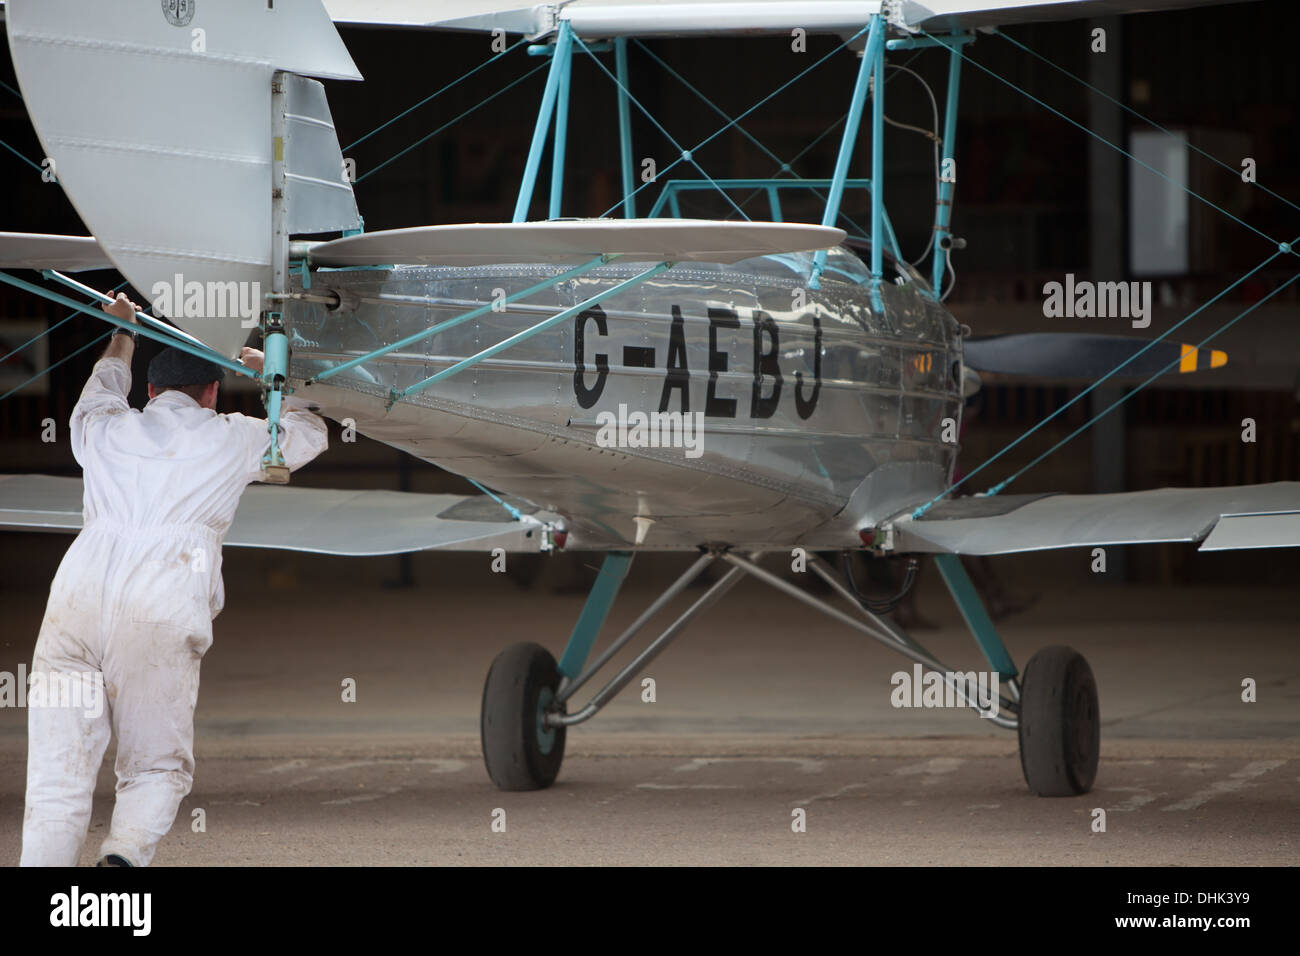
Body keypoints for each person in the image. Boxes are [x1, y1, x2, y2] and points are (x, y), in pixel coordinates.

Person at [21, 292, 328, 867]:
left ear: (151, 392)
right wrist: (272, 369)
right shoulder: (233, 435)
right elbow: (307, 430)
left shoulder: (105, 428)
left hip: (78, 594)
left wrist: (124, 332)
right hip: (162, 600)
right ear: (213, 393)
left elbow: (104, 382)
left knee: (57, 770)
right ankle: (124, 860)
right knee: (155, 763)